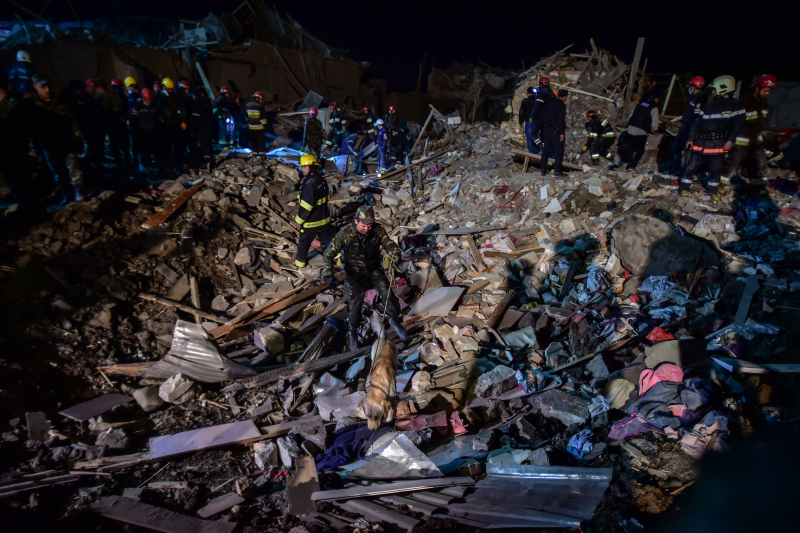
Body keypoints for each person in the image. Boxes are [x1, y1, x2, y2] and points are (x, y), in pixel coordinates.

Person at [322, 205, 408, 350]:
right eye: (363, 226)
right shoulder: (345, 233)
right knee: (355, 306)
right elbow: (328, 254)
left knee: (388, 294)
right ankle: (353, 333)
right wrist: (328, 274)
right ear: (356, 221)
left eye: (369, 226)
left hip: (374, 271)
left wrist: (394, 256)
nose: (367, 229)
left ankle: (394, 319)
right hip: (355, 275)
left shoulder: (378, 230)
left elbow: (391, 246)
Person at [679, 75, 745, 199]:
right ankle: (684, 188)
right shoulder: (708, 105)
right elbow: (696, 124)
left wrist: (730, 140)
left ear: (723, 89)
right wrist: (690, 139)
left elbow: (737, 126)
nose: (713, 91)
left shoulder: (735, 106)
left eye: (714, 89)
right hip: (701, 141)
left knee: (715, 169)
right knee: (692, 166)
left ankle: (713, 191)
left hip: (718, 143)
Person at [25, 74, 86, 203]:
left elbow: (72, 121)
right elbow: (28, 129)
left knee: (73, 168)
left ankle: (79, 191)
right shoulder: (30, 105)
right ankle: (67, 194)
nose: (47, 89)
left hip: (66, 142)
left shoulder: (60, 101)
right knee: (58, 171)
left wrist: (77, 138)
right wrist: (34, 147)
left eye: (48, 86)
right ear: (35, 86)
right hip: (49, 145)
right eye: (43, 87)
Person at [722, 74, 776, 191]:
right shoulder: (745, 102)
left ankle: (758, 189)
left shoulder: (764, 103)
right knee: (733, 163)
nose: (767, 93)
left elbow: (761, 121)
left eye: (769, 91)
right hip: (742, 138)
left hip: (756, 139)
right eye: (765, 91)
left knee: (760, 164)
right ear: (757, 88)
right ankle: (720, 185)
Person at [293, 154, 335, 269]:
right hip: (324, 220)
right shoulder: (322, 180)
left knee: (304, 243)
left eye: (304, 167)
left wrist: (299, 220)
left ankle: (300, 264)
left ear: (311, 167)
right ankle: (338, 258)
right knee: (329, 240)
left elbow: (306, 206)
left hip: (311, 222)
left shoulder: (309, 184)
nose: (302, 169)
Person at [0, 71, 32, 204]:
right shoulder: (11, 104)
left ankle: (28, 204)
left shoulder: (11, 105)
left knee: (18, 178)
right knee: (15, 179)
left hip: (12, 150)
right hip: (10, 149)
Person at [672, 76, 707, 174]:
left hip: (691, 127)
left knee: (686, 149)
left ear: (695, 86)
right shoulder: (693, 98)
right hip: (685, 126)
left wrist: (693, 131)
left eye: (691, 86)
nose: (690, 88)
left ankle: (684, 169)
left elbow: (697, 117)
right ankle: (676, 166)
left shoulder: (701, 99)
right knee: (677, 147)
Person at [618, 90, 660, 170]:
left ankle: (624, 162)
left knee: (630, 147)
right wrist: (656, 130)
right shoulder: (654, 107)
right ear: (655, 99)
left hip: (631, 128)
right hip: (641, 130)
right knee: (640, 150)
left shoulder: (640, 104)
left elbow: (630, 116)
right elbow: (655, 122)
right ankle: (632, 166)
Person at [94, 78, 130, 171]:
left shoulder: (105, 97)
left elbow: (108, 112)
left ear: (98, 87)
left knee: (116, 147)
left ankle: (122, 166)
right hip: (118, 124)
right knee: (124, 147)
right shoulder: (113, 95)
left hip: (113, 125)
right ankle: (128, 165)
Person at [156, 77, 187, 169]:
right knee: (166, 145)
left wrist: (184, 121)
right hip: (164, 125)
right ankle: (167, 163)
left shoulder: (175, 97)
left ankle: (179, 162)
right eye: (168, 89)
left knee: (178, 144)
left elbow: (182, 109)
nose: (170, 91)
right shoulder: (159, 96)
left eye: (171, 89)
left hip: (174, 123)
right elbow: (156, 109)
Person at [72, 78, 103, 170]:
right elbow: (81, 114)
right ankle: (90, 166)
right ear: (88, 86)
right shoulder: (81, 97)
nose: (94, 89)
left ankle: (97, 164)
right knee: (90, 147)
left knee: (96, 147)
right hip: (87, 128)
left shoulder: (90, 97)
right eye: (93, 87)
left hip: (94, 127)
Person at [129, 88, 162, 171]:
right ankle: (145, 167)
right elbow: (133, 120)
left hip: (153, 132)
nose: (149, 101)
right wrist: (136, 133)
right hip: (143, 134)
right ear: (143, 98)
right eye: (147, 100)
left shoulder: (154, 105)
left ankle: (158, 168)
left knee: (156, 151)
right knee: (144, 152)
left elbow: (157, 117)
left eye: (150, 99)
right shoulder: (137, 106)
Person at [540, 89, 568, 177]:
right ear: (565, 97)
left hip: (546, 129)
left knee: (546, 150)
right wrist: (562, 132)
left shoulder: (549, 103)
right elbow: (560, 119)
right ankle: (557, 170)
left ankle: (543, 169)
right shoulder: (561, 105)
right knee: (559, 150)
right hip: (555, 130)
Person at [188, 87, 215, 169]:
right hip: (209, 127)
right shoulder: (207, 102)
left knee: (204, 145)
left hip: (201, 128)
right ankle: (212, 161)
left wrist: (192, 131)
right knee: (209, 144)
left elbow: (195, 118)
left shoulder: (197, 103)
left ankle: (207, 163)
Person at [528, 77, 555, 154]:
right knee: (543, 135)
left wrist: (532, 116)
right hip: (549, 118)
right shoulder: (552, 94)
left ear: (541, 84)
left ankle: (541, 147)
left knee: (533, 134)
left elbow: (537, 106)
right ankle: (544, 151)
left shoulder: (541, 93)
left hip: (540, 117)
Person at [246, 91, 267, 157]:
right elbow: (262, 118)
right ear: (258, 98)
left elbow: (245, 116)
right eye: (261, 99)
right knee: (260, 142)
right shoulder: (260, 106)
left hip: (251, 127)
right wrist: (265, 126)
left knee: (253, 142)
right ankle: (261, 156)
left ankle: (254, 155)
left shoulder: (248, 105)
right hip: (259, 128)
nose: (261, 101)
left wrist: (248, 121)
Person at [519, 86, 537, 155]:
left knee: (529, 138)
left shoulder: (525, 101)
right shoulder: (537, 101)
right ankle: (537, 153)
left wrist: (521, 122)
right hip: (537, 122)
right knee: (536, 137)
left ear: (527, 93)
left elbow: (521, 112)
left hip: (529, 122)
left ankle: (531, 154)